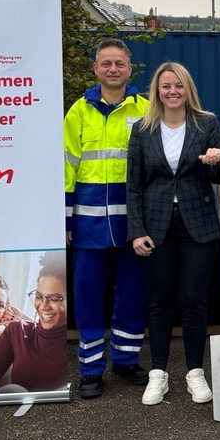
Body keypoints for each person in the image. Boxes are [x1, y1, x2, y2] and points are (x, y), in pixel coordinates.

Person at [126, 62, 220, 407]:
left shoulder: (207, 123)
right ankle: (159, 375)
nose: (172, 92)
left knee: (194, 302)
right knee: (159, 302)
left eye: (178, 86)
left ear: (188, 89)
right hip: (155, 226)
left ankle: (195, 373)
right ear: (157, 90)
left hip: (198, 225)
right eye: (166, 86)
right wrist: (136, 231)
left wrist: (216, 161)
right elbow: (134, 185)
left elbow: (219, 178)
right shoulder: (142, 129)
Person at [64, 37, 150, 399]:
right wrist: (66, 220)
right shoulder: (78, 112)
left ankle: (127, 360)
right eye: (106, 63)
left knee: (132, 291)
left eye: (120, 64)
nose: (113, 69)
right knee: (87, 294)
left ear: (130, 70)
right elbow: (66, 167)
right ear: (96, 69)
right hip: (88, 223)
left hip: (133, 223)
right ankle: (91, 369)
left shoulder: (147, 109)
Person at [0, 252, 70, 393]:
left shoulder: (79, 340)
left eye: (55, 298)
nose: (43, 306)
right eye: (39, 296)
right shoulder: (17, 331)